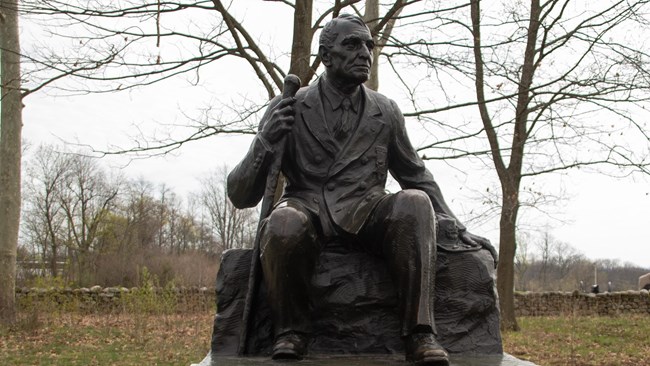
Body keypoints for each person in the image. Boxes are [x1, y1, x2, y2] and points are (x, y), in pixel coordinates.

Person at [227, 14, 491, 366]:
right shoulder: (289, 107)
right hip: (307, 206)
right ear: (325, 55)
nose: (365, 53)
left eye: (369, 45)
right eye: (352, 45)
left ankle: (420, 333)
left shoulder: (385, 110)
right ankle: (291, 330)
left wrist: (455, 224)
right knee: (282, 223)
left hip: (365, 208)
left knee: (415, 202)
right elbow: (241, 195)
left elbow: (415, 174)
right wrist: (265, 140)